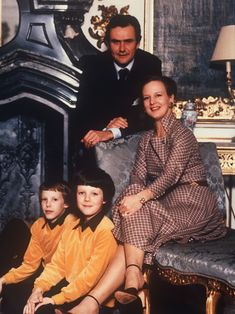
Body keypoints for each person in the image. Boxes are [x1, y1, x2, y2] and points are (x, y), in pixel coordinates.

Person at [68, 76, 227, 314]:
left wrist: (138, 199)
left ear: (171, 99)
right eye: (147, 98)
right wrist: (133, 197)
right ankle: (131, 284)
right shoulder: (146, 140)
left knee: (131, 218)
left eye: (158, 95)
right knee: (131, 195)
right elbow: (136, 180)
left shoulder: (183, 135)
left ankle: (97, 300)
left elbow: (172, 175)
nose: (152, 102)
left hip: (195, 203)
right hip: (167, 202)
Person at [23, 167, 118, 314]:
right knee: (22, 300)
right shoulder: (72, 224)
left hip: (93, 298)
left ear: (104, 199)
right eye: (81, 193)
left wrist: (55, 300)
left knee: (43, 310)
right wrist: (38, 289)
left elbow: (88, 280)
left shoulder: (106, 230)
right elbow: (57, 265)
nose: (87, 199)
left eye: (94, 194)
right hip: (70, 289)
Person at [73, 14, 162, 167]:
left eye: (128, 41)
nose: (122, 49)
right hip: (97, 147)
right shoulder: (91, 65)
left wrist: (115, 129)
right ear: (107, 42)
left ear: (138, 42)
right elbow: (83, 113)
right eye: (115, 42)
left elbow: (150, 112)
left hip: (136, 146)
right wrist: (105, 128)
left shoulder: (151, 65)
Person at [0, 180, 76, 314]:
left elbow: (64, 268)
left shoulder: (73, 224)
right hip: (46, 275)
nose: (48, 204)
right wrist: (3, 279)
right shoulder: (38, 225)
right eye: (44, 199)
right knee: (10, 293)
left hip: (66, 278)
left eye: (54, 199)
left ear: (66, 203)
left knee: (36, 307)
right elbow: (30, 264)